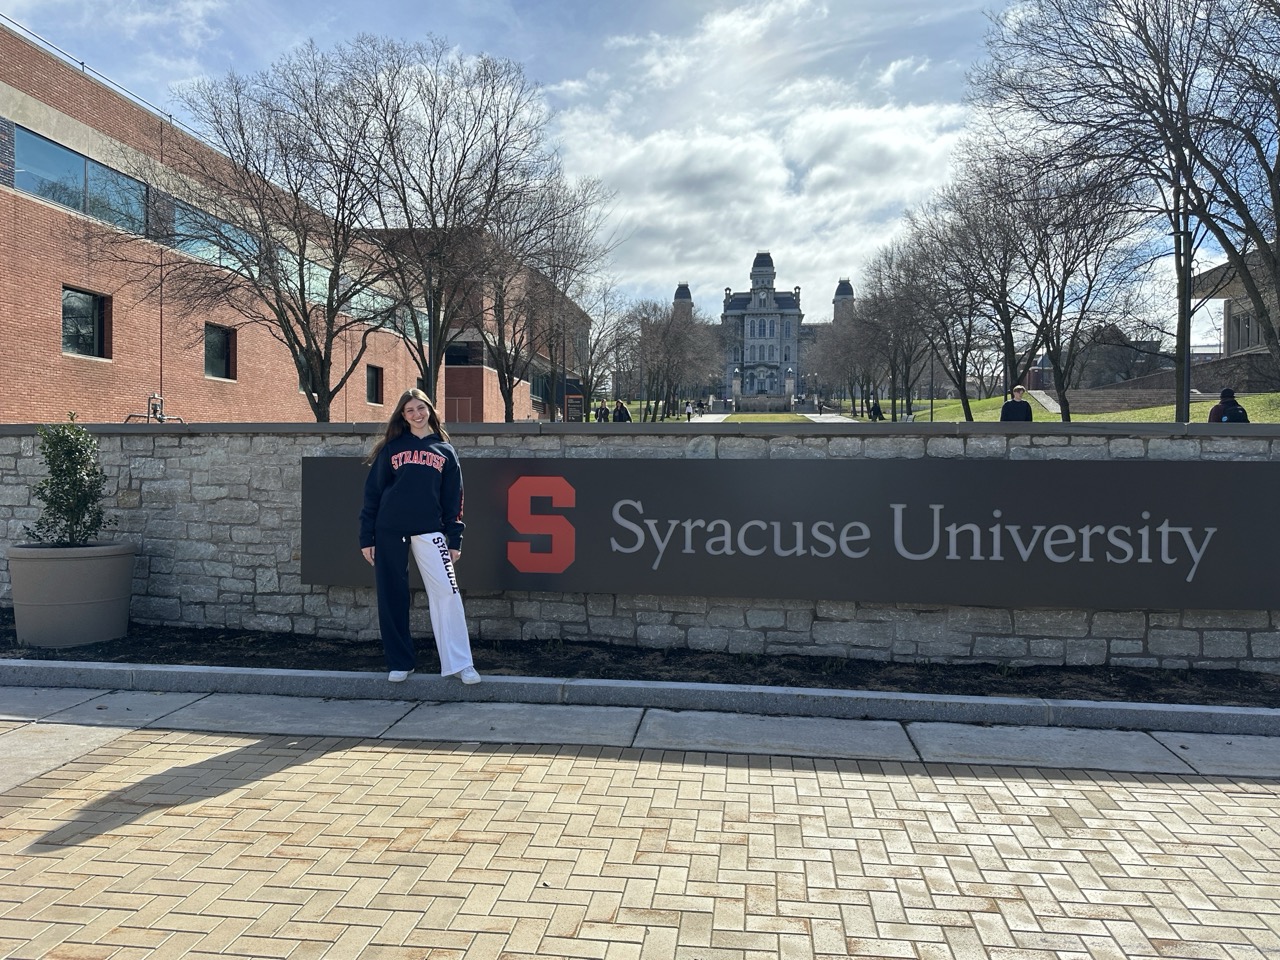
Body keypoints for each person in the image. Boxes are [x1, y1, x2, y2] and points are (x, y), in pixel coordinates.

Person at [359, 389, 480, 685]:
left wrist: (455, 539)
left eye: (420, 408)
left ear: (430, 410)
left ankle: (460, 663)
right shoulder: (392, 448)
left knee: (448, 594)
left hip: (431, 530)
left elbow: (455, 499)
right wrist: (367, 537)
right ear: (403, 415)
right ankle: (401, 662)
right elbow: (372, 494)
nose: (416, 414)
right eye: (409, 410)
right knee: (392, 596)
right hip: (389, 530)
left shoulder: (445, 451)